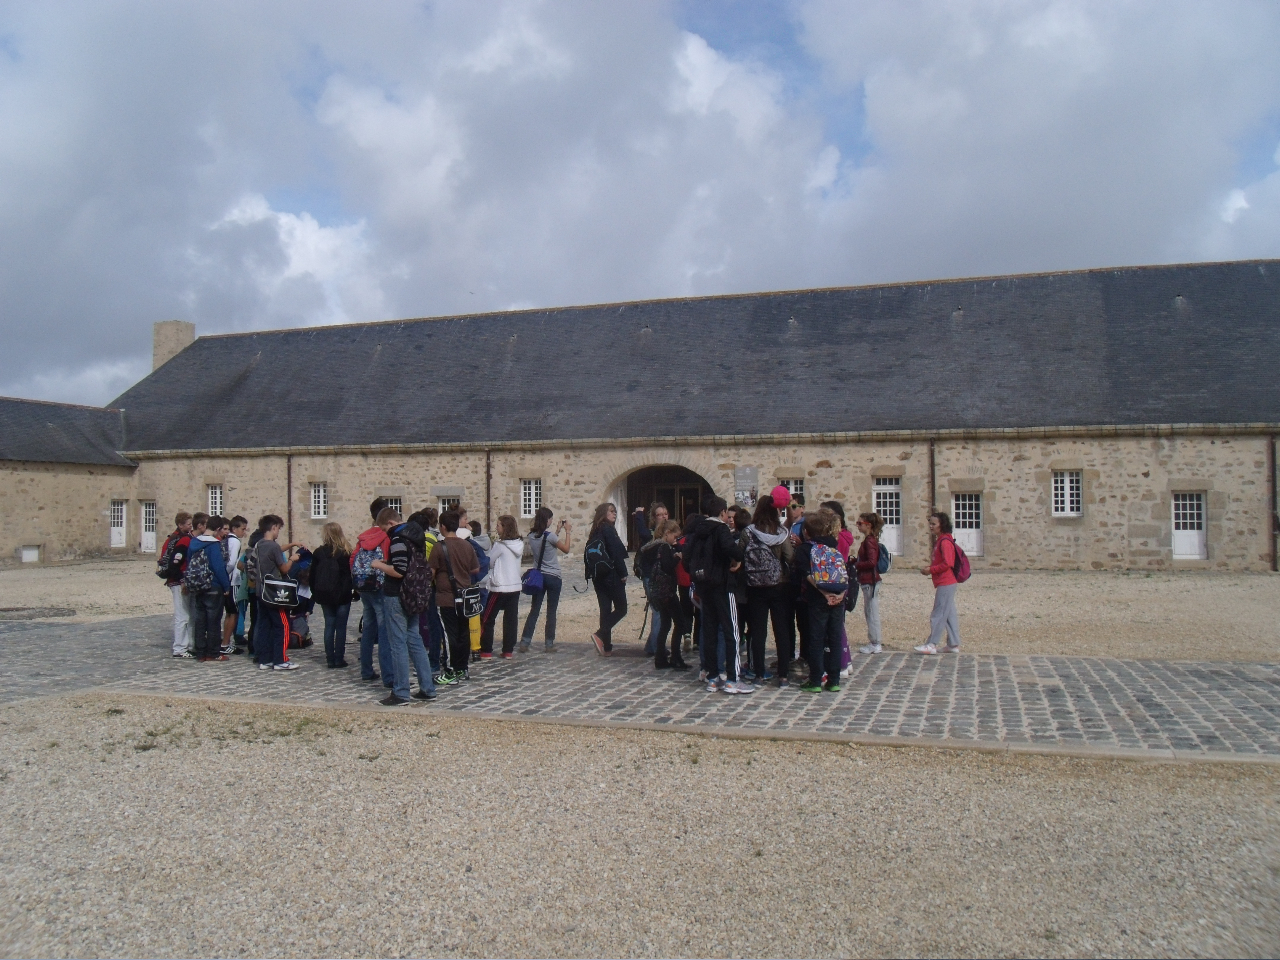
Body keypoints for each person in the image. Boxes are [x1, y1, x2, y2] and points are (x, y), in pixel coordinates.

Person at [687, 496, 751, 694]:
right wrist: (738, 558)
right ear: (723, 513)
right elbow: (731, 549)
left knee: (710, 631)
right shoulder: (721, 529)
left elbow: (687, 558)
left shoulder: (697, 530)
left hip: (704, 586)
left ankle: (712, 677)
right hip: (722, 585)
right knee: (732, 631)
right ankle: (733, 679)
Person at [375, 510, 436, 706]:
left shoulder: (398, 539)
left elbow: (399, 571)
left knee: (398, 644)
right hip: (414, 594)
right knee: (415, 640)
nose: (385, 533)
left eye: (384, 529)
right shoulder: (416, 537)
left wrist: (379, 565)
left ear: (391, 523)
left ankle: (401, 692)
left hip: (397, 594)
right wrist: (389, 563)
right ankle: (427, 687)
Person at [743, 494, 795, 685]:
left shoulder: (749, 532)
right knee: (781, 630)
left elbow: (739, 554)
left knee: (758, 631)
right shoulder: (781, 533)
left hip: (755, 585)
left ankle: (758, 673)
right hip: (779, 585)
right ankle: (783, 675)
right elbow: (789, 557)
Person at [796, 508, 846, 693]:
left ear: (806, 531)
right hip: (838, 597)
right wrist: (840, 594)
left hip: (817, 599)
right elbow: (842, 571)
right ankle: (834, 680)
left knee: (816, 639)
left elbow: (807, 575)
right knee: (835, 638)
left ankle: (815, 680)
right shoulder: (833, 546)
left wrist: (824, 593)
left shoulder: (805, 549)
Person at [429, 510, 480, 683]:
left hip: (446, 597)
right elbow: (475, 569)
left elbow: (431, 573)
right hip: (464, 596)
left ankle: (451, 671)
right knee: (463, 633)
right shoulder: (467, 545)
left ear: (443, 527)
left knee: (449, 634)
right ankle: (462, 668)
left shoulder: (439, 547)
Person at [254, 515, 303, 671]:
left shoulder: (259, 544)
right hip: (275, 594)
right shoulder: (273, 546)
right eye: (278, 529)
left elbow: (275, 551)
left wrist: (292, 544)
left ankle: (265, 659)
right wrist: (292, 559)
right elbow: (284, 569)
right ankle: (280, 660)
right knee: (282, 625)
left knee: (265, 626)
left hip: (261, 592)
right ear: (274, 527)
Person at [352, 511, 395, 685]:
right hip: (380, 586)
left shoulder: (363, 538)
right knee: (384, 630)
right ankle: (389, 675)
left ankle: (366, 670)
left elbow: (352, 560)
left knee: (368, 628)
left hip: (364, 586)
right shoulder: (386, 537)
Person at [521, 507, 569, 653]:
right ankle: (549, 643)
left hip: (539, 576)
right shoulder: (551, 537)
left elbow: (545, 544)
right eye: (551, 519)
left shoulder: (531, 536)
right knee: (551, 611)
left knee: (534, 609)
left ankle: (525, 641)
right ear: (547, 520)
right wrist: (568, 532)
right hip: (553, 576)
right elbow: (566, 549)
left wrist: (557, 531)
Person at [585, 503, 628, 656]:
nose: (614, 513)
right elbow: (616, 553)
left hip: (598, 576)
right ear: (603, 513)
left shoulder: (595, 530)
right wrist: (623, 573)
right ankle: (600, 635)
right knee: (622, 609)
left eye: (615, 511)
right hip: (611, 575)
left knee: (605, 610)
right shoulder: (608, 529)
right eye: (611, 511)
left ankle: (606, 647)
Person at [916, 511, 961, 655]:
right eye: (930, 523)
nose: (931, 526)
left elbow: (948, 563)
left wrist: (931, 570)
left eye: (934, 524)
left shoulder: (945, 542)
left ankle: (932, 644)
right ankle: (953, 644)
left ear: (942, 525)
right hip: (945, 582)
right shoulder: (942, 540)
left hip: (946, 581)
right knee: (949, 614)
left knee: (939, 613)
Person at [310, 521, 354, 669]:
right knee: (340, 627)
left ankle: (330, 658)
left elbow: (312, 575)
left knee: (329, 625)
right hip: (343, 594)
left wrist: (315, 592)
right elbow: (350, 574)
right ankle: (339, 658)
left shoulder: (319, 552)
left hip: (325, 593)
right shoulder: (345, 552)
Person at [187, 515, 231, 662]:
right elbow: (218, 567)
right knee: (213, 621)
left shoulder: (194, 542)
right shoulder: (213, 545)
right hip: (213, 585)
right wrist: (226, 585)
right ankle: (213, 652)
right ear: (217, 529)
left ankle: (200, 652)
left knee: (200, 621)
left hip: (197, 585)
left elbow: (189, 562)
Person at [648, 519, 690, 670]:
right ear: (667, 533)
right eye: (675, 537)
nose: (676, 540)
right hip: (667, 592)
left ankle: (660, 658)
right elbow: (667, 566)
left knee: (666, 624)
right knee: (680, 623)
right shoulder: (664, 547)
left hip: (658, 592)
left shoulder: (654, 546)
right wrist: (678, 557)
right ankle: (676, 658)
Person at [480, 515, 524, 659]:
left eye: (498, 525)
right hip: (514, 585)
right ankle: (508, 650)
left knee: (488, 618)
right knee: (510, 619)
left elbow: (490, 561)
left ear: (504, 527)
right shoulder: (519, 543)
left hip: (500, 586)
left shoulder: (500, 545)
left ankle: (486, 649)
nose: (496, 528)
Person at [161, 512, 195, 659]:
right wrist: (182, 581)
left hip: (175, 580)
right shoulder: (182, 540)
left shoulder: (173, 539)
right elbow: (175, 564)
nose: (191, 526)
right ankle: (180, 647)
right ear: (181, 525)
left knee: (184, 615)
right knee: (182, 616)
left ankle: (186, 645)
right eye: (188, 524)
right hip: (177, 581)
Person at [854, 512, 885, 654]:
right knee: (870, 611)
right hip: (869, 580)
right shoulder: (870, 540)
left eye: (860, 523)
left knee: (871, 612)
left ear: (868, 525)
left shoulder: (869, 541)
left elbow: (872, 562)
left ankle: (875, 642)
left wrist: (857, 565)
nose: (858, 526)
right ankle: (874, 641)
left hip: (870, 580)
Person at [222, 516, 248, 654]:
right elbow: (232, 563)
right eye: (242, 529)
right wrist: (226, 576)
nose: (244, 532)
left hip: (228, 581)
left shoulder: (227, 540)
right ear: (235, 528)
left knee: (229, 613)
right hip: (232, 582)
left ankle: (225, 642)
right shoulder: (235, 541)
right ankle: (226, 643)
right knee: (233, 613)